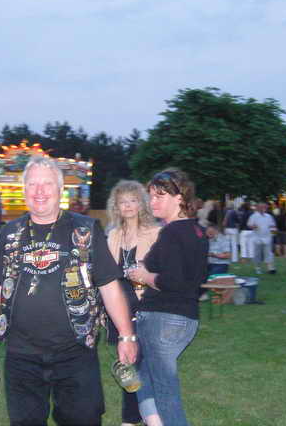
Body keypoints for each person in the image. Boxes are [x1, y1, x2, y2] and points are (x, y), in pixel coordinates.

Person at [0, 156, 137, 426]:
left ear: (60, 190)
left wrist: (126, 336)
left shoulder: (86, 229)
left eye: (47, 184)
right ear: (24, 190)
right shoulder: (10, 233)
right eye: (32, 184)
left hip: (75, 350)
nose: (39, 191)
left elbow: (109, 285)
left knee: (83, 420)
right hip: (21, 354)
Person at [127, 168, 208, 426]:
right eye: (151, 196)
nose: (153, 202)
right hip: (186, 318)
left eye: (160, 196)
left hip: (163, 318)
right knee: (143, 377)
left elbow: (172, 281)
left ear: (179, 197)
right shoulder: (197, 231)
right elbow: (194, 278)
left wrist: (143, 275)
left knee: (165, 391)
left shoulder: (172, 232)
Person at [105, 180, 160, 426]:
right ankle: (134, 417)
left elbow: (163, 272)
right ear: (116, 206)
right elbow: (107, 275)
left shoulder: (155, 233)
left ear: (141, 204)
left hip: (148, 306)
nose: (127, 206)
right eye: (122, 202)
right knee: (128, 365)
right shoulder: (113, 235)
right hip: (121, 309)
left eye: (133, 200)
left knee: (143, 365)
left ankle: (140, 417)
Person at [199, 222, 231, 302]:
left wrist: (213, 255)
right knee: (197, 273)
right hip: (208, 264)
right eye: (207, 233)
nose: (209, 235)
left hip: (221, 264)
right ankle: (201, 294)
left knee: (211, 276)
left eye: (211, 233)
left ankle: (205, 294)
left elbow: (227, 255)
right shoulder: (205, 239)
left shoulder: (223, 239)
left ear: (216, 231)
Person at [248, 202, 277, 274]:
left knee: (268, 253)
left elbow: (272, 225)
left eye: (264, 207)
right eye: (261, 207)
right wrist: (253, 226)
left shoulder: (269, 216)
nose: (263, 208)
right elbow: (249, 225)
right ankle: (258, 268)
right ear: (258, 208)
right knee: (257, 254)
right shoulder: (254, 216)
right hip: (257, 238)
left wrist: (273, 230)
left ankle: (270, 268)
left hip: (267, 237)